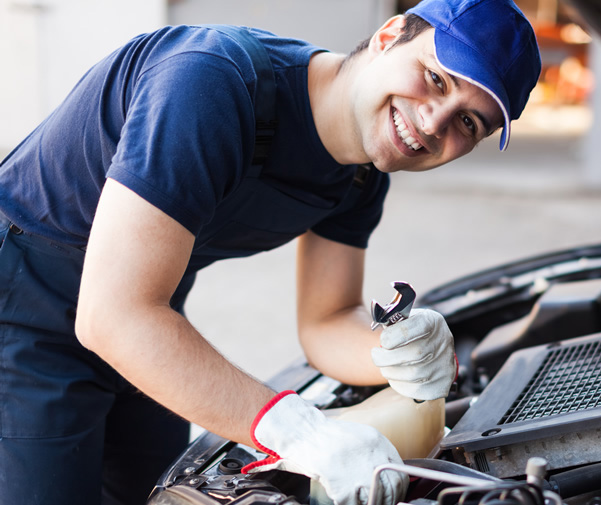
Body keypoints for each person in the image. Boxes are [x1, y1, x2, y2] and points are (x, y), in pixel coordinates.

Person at [0, 0, 541, 503]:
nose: (433, 123)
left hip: (145, 318)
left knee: (165, 493)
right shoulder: (212, 84)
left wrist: (395, 351)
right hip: (22, 313)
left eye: (469, 123)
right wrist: (301, 433)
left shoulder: (360, 178)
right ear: (389, 34)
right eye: (435, 78)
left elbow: (326, 321)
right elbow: (113, 315)